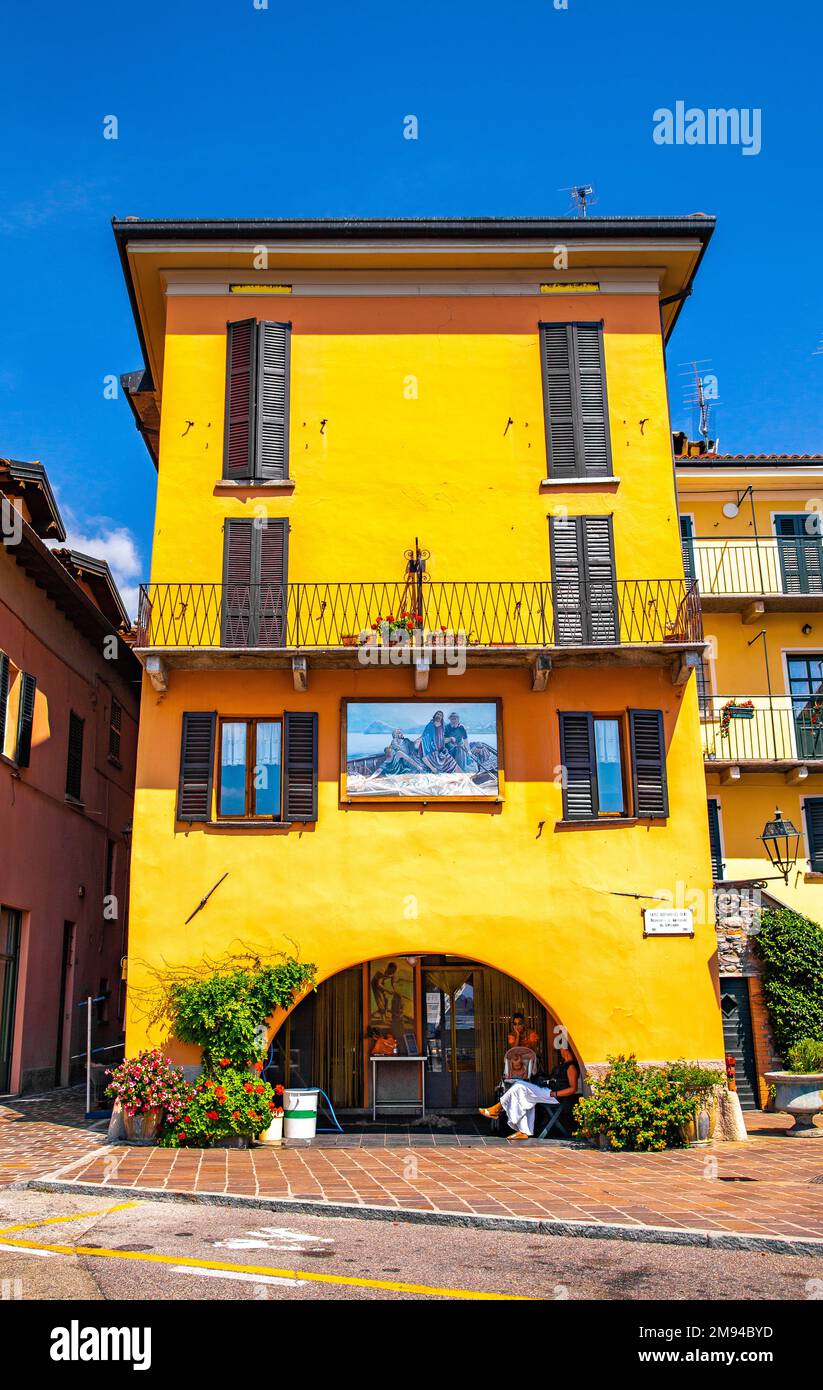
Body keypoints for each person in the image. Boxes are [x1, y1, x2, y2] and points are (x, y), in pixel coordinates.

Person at [479, 1047, 579, 1142]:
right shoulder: (564, 1065)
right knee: (525, 1098)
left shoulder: (571, 1067)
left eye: (563, 1050)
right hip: (548, 1091)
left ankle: (497, 1108)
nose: (561, 1052)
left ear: (568, 1051)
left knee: (519, 1086)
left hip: (555, 1096)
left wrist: (555, 1093)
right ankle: (524, 1132)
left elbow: (573, 1089)